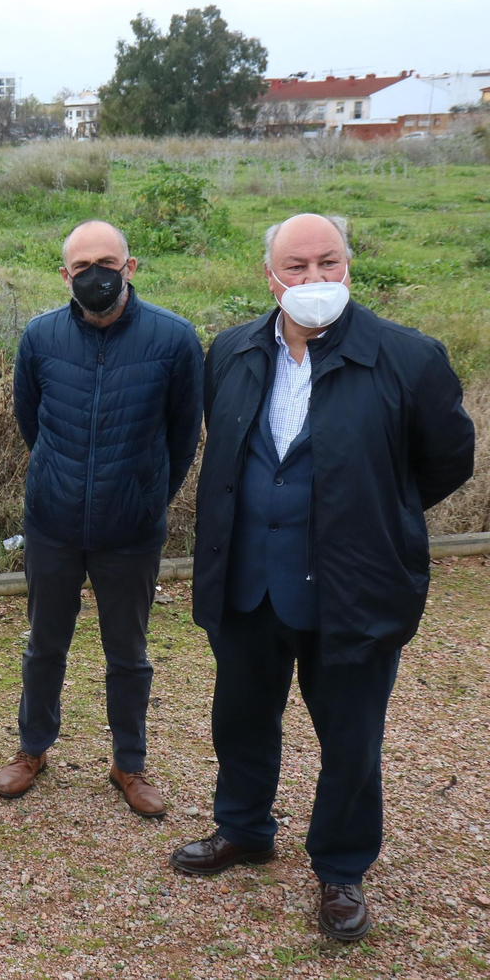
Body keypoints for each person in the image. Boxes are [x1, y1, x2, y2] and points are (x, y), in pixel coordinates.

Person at [172, 213, 474, 942]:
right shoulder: (234, 351)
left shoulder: (407, 358)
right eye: (297, 267)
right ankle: (244, 828)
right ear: (269, 276)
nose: (314, 280)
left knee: (350, 736)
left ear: (350, 266)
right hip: (248, 579)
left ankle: (340, 867)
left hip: (353, 585)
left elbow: (446, 461)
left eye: (328, 263)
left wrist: (375, 515)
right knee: (241, 717)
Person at [0, 220, 203, 817]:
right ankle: (33, 749)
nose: (96, 276)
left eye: (106, 262)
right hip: (54, 525)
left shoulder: (174, 339)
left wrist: (144, 495)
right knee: (44, 646)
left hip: (131, 531)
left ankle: (129, 763)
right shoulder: (39, 338)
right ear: (66, 276)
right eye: (82, 267)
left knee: (129, 654)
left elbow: (183, 435)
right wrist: (63, 484)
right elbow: (31, 422)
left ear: (130, 266)